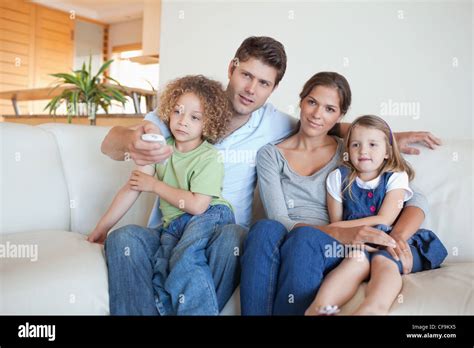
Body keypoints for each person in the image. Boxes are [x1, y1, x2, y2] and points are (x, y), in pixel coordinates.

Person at [100, 36, 441, 315]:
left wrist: (389, 138)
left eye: (263, 82)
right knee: (123, 239)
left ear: (274, 89)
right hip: (168, 227)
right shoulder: (190, 110)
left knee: (235, 237)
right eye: (246, 75)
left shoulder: (276, 124)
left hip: (223, 233)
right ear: (232, 68)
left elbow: (324, 126)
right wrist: (131, 140)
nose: (251, 88)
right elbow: (110, 144)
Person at [240, 72, 441, 315]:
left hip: (333, 246)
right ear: (301, 102)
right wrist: (334, 230)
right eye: (312, 102)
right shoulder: (271, 155)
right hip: (302, 234)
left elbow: (414, 197)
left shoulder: (351, 150)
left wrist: (395, 238)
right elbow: (280, 219)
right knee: (263, 229)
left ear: (339, 116)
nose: (317, 114)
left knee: (305, 240)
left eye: (329, 109)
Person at [88, 75, 235, 315]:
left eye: (194, 117)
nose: (182, 121)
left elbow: (198, 206)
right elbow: (133, 186)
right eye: (177, 112)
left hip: (209, 216)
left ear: (209, 123)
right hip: (173, 226)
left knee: (186, 259)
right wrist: (102, 228)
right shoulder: (160, 148)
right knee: (156, 261)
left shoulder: (209, 156)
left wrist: (154, 185)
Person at [304, 115, 447, 315]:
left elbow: (384, 220)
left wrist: (339, 229)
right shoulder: (337, 178)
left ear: (388, 151)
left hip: (394, 242)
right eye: (355, 145)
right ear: (347, 150)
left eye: (372, 144)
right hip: (359, 244)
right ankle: (318, 309)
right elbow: (335, 224)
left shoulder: (396, 176)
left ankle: (372, 309)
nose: (363, 150)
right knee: (355, 259)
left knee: (384, 259)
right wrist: (338, 230)